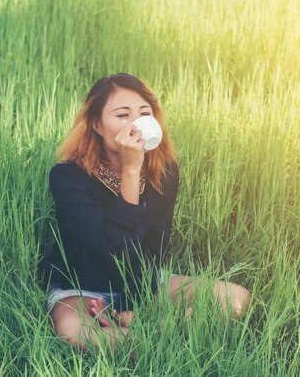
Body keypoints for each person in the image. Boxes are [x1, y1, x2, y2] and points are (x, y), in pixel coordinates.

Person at [38, 73, 252, 351]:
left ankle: (140, 332)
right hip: (83, 285)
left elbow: (155, 245)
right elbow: (112, 246)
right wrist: (130, 169)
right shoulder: (68, 177)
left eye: (144, 113)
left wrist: (133, 304)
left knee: (237, 299)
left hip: (144, 281)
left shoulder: (164, 173)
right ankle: (167, 332)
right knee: (73, 333)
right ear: (96, 125)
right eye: (122, 115)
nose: (135, 124)